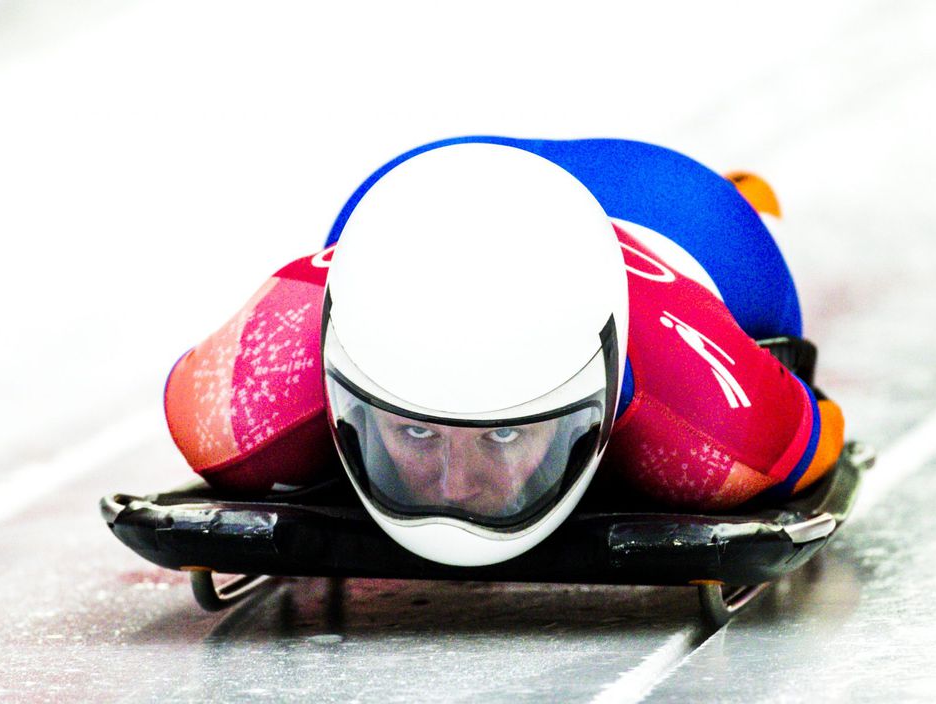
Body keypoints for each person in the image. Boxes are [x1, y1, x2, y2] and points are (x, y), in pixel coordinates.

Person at [163, 137, 845, 568]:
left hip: (678, 209)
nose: (455, 486)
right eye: (414, 431)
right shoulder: (244, 393)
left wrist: (769, 385)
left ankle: (747, 199)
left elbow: (817, 432)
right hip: (428, 184)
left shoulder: (716, 430)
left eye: (504, 433)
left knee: (752, 250)